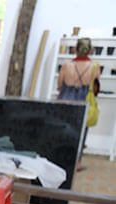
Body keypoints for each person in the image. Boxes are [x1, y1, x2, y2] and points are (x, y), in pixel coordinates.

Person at [57, 37, 101, 169]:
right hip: (84, 100)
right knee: (81, 131)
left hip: (66, 98)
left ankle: (60, 158)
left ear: (75, 49)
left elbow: (59, 85)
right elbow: (96, 89)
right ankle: (77, 163)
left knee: (63, 128)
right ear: (90, 50)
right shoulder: (95, 67)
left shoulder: (66, 65)